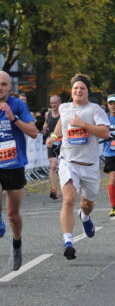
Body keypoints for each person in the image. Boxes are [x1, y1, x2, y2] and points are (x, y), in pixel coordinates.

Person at [46, 74, 109, 260]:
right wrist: (54, 136)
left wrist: (82, 124)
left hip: (89, 165)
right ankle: (68, 242)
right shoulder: (65, 108)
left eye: (82, 88)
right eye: (75, 88)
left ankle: (85, 216)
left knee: (87, 203)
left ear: (87, 91)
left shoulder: (95, 110)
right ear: (71, 91)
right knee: (68, 199)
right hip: (68, 162)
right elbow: (61, 123)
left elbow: (105, 132)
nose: (78, 91)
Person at [0, 71, 38, 271]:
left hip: (14, 165)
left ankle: (16, 244)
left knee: (13, 214)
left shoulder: (18, 105)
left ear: (10, 88)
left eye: (4, 84)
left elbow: (33, 132)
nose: (0, 87)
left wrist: (12, 118)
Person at [42, 95, 62, 200]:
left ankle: (67, 187)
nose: (53, 105)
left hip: (63, 143)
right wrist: (45, 126)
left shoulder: (63, 114)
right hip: (51, 143)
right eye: (51, 103)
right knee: (53, 166)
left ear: (59, 103)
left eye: (55, 103)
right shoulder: (48, 114)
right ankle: (53, 190)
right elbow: (46, 123)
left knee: (64, 167)